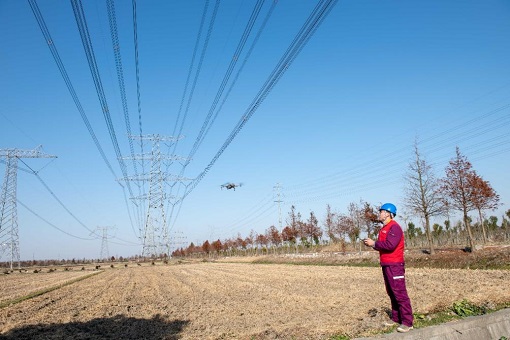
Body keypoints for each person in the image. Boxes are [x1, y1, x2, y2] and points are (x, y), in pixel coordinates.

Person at [363, 203, 414, 333]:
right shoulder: (384, 228)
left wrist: (374, 243)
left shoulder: (394, 228)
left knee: (400, 293)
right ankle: (396, 318)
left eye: (381, 212)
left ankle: (408, 322)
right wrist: (374, 244)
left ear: (388, 213)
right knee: (391, 292)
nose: (379, 214)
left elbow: (390, 245)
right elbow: (383, 245)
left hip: (395, 265)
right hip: (386, 265)